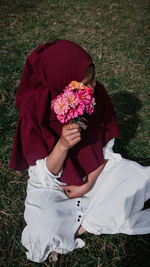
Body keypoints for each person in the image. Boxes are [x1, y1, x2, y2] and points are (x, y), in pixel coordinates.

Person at [10, 40, 150, 263]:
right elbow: (44, 175)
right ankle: (84, 224)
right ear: (61, 85)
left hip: (95, 173)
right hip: (55, 187)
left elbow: (105, 149)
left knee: (140, 178)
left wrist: (89, 182)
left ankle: (81, 226)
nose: (93, 86)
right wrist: (63, 145)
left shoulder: (95, 96)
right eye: (84, 83)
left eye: (93, 78)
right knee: (41, 233)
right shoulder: (34, 111)